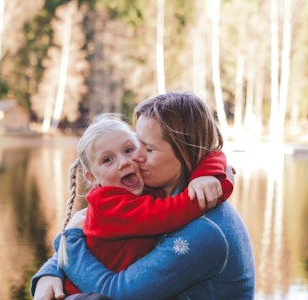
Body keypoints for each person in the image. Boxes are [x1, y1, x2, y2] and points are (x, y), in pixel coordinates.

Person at [32, 91, 255, 299]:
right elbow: (86, 230)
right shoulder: (150, 192)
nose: (134, 158)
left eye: (147, 149)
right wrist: (50, 272)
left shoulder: (204, 231)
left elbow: (116, 293)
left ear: (186, 149)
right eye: (136, 144)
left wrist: (69, 244)